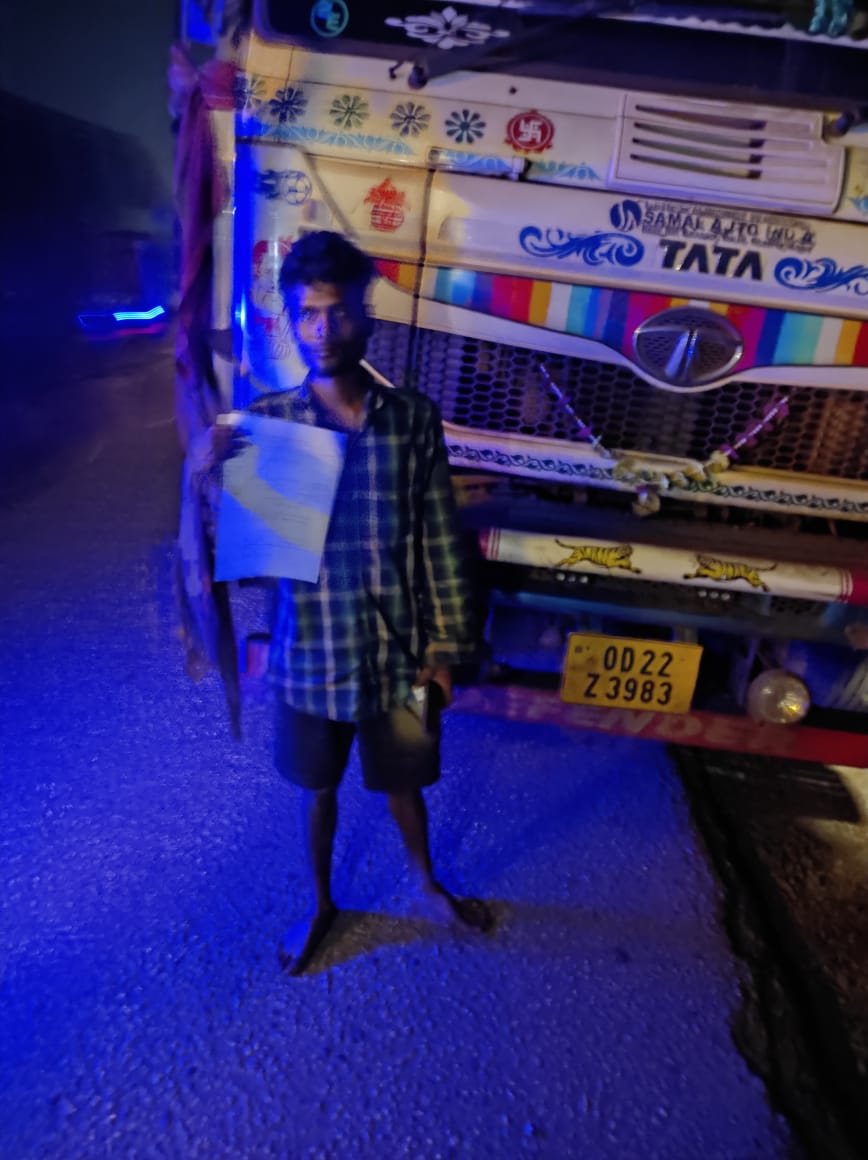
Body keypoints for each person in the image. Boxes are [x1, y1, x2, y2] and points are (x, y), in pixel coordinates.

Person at [202, 230, 492, 974]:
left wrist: (445, 649)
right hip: (311, 653)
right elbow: (246, 555)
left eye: (336, 311)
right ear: (291, 321)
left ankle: (425, 884)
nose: (322, 330)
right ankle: (318, 903)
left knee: (406, 782)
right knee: (316, 790)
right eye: (307, 314)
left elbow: (440, 540)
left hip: (401, 654)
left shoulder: (412, 420)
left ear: (365, 314)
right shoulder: (273, 424)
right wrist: (214, 476)